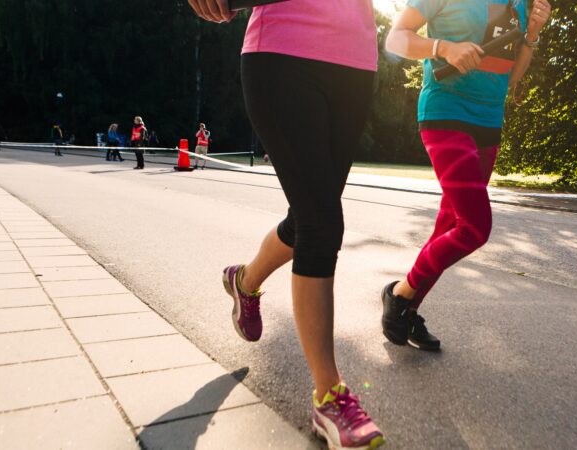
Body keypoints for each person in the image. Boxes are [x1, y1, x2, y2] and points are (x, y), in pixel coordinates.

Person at [187, 1, 385, 448]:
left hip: (354, 58)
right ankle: (328, 397)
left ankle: (245, 280)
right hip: (283, 50)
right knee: (321, 221)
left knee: (308, 217)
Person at [381, 0, 552, 351]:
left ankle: (408, 309)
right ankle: (398, 295)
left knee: (449, 226)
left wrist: (531, 34)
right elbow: (395, 39)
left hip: (488, 124)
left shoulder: (519, 5)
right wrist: (441, 47)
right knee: (474, 227)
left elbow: (511, 76)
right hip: (446, 112)